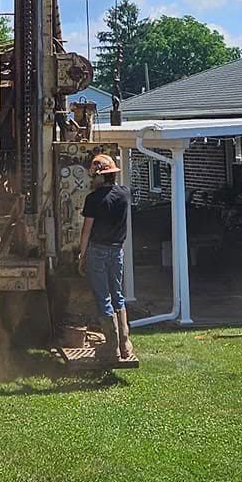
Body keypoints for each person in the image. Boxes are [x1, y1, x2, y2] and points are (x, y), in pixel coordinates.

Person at [80, 153, 136, 365]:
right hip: (117, 251)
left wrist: (81, 255)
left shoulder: (93, 199)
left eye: (93, 176)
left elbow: (86, 231)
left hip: (98, 251)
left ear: (101, 176)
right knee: (118, 296)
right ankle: (124, 343)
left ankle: (111, 347)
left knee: (103, 297)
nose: (92, 180)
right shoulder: (124, 194)